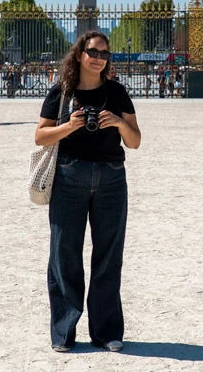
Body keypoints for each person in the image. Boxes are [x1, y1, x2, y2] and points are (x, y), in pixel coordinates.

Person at [34, 31, 141, 353]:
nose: (99, 58)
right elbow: (40, 137)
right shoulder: (62, 92)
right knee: (64, 255)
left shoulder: (117, 92)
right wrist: (70, 125)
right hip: (69, 176)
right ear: (79, 54)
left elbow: (135, 141)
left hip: (111, 179)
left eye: (105, 54)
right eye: (93, 51)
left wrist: (118, 124)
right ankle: (64, 331)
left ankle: (106, 332)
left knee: (109, 257)